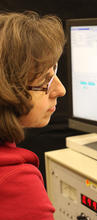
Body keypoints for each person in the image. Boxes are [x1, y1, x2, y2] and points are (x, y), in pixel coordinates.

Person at [0, 11, 66, 219]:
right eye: (45, 80)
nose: (60, 89)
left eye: (54, 73)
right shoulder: (16, 184)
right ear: (6, 87)